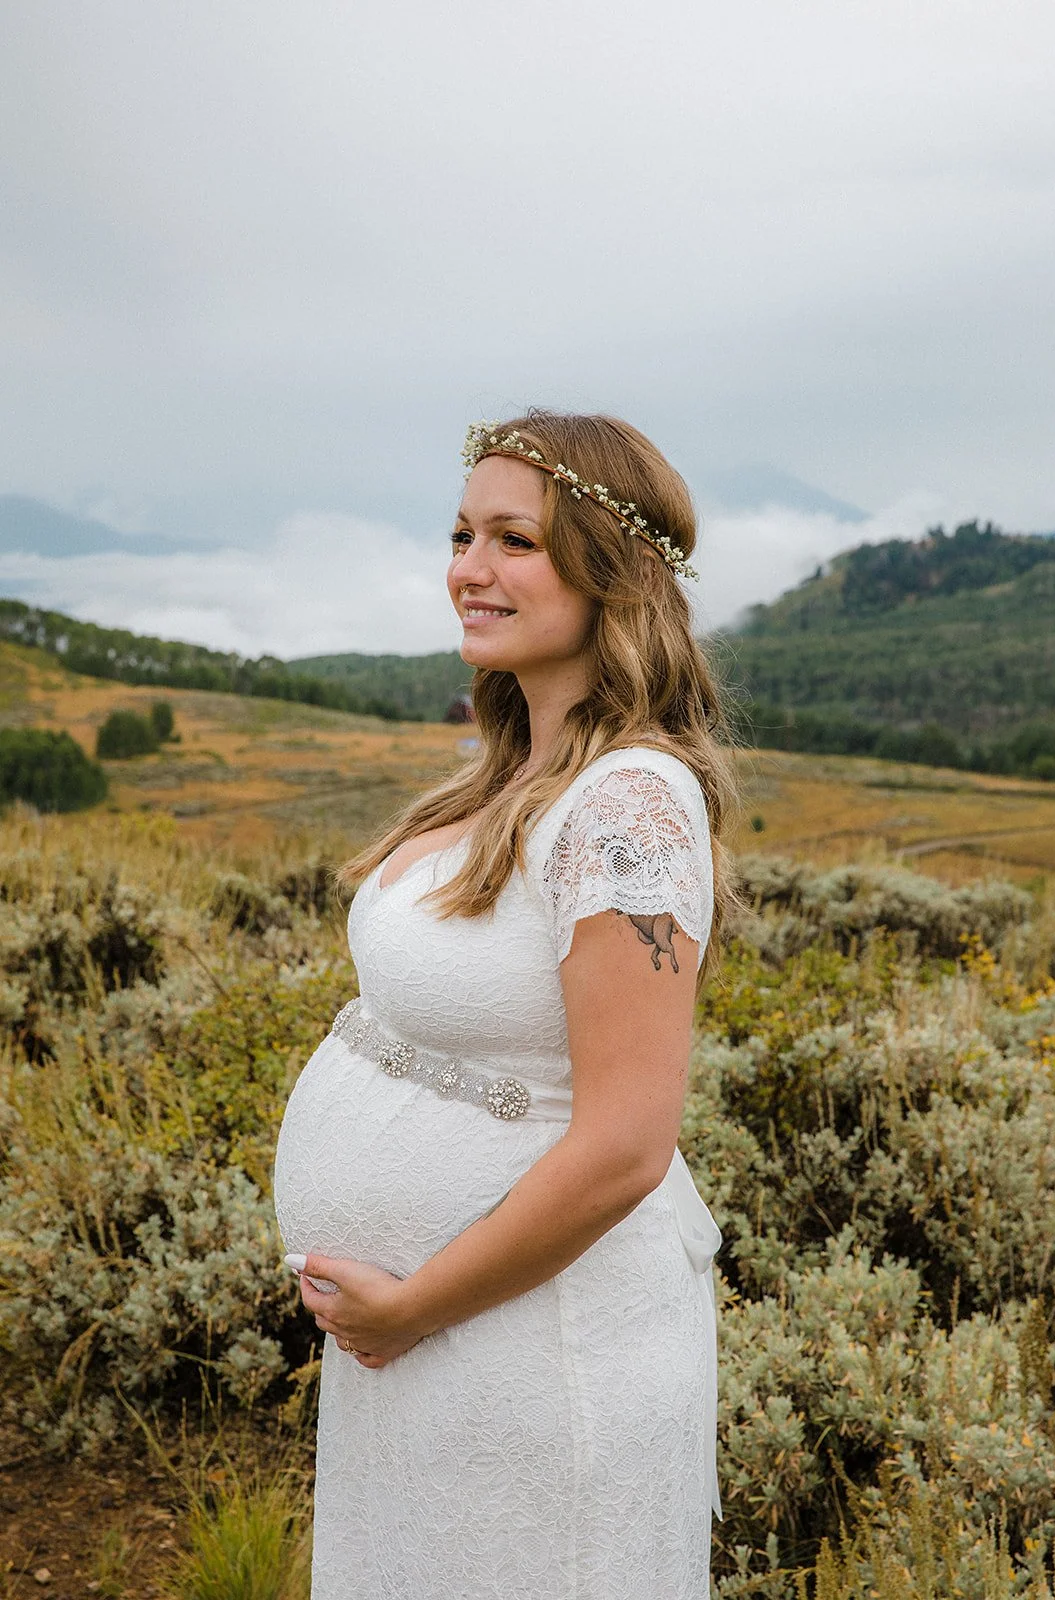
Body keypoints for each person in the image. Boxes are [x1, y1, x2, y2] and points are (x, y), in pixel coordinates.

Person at [273, 409, 737, 1599]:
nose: (468, 569)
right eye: (461, 534)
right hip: (438, 1347)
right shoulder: (508, 776)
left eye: (513, 541)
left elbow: (626, 1144)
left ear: (612, 571)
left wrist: (412, 1305)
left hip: (537, 1350)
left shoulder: (628, 805)